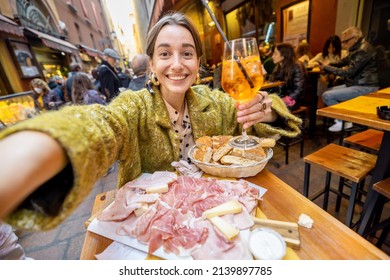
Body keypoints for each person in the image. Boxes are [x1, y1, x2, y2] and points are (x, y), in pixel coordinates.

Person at [0, 12, 301, 232]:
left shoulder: (217, 103)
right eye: (165, 54)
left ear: (198, 63)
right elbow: (102, 125)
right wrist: (41, 147)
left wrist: (267, 109)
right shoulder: (135, 107)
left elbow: (256, 127)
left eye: (187, 53)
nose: (177, 64)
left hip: (213, 222)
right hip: (151, 231)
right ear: (153, 65)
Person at [320, 27, 379, 132]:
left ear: (355, 38)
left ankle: (343, 120)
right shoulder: (357, 48)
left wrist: (326, 67)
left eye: (345, 42)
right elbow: (343, 62)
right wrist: (329, 64)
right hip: (358, 83)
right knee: (328, 91)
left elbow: (348, 72)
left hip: (366, 86)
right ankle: (343, 117)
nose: (343, 45)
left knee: (327, 95)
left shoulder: (362, 50)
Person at [308, 35, 348, 102]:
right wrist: (318, 64)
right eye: (329, 47)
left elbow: (346, 68)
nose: (331, 50)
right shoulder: (321, 55)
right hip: (325, 80)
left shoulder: (344, 54)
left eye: (334, 47)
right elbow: (309, 63)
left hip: (339, 80)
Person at [269, 42, 307, 111]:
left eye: (275, 53)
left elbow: (298, 89)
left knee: (272, 110)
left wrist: (285, 99)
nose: (272, 56)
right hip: (281, 98)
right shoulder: (279, 67)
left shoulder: (297, 66)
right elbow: (272, 84)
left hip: (294, 100)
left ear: (284, 55)